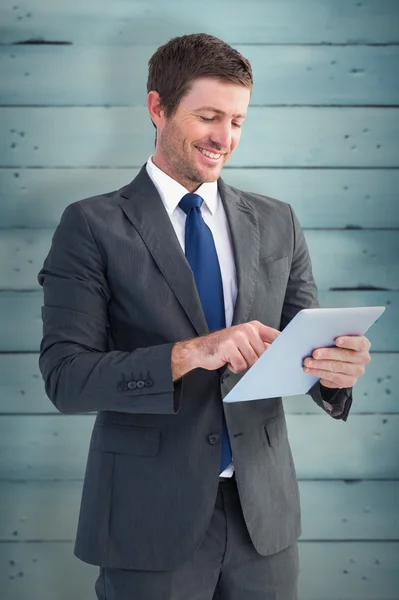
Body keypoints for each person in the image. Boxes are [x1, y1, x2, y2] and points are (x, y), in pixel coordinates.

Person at [37, 33, 371, 600]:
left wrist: (334, 373)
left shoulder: (277, 221)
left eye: (238, 120)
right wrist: (192, 353)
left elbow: (301, 346)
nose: (225, 138)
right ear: (157, 108)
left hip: (262, 522)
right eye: (209, 116)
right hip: (148, 519)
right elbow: (66, 378)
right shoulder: (91, 225)